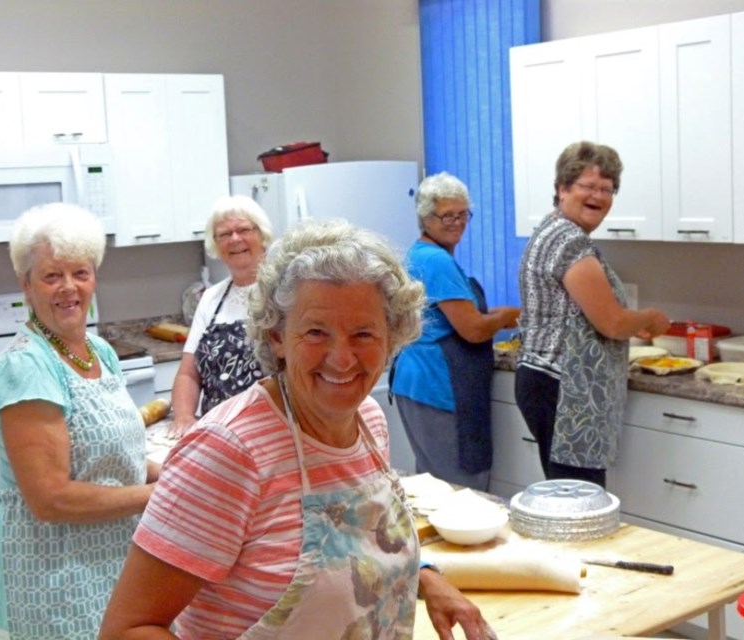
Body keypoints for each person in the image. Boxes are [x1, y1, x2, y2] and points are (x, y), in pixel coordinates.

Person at [100, 219, 494, 640]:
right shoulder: (228, 451)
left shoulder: (369, 420)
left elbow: (361, 543)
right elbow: (128, 629)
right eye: (316, 332)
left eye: (363, 333)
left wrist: (426, 578)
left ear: (392, 336)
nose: (342, 359)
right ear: (276, 337)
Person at [0, 203, 160, 638]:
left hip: (116, 550)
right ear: (26, 284)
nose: (69, 288)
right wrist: (156, 495)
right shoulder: (26, 367)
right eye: (51, 276)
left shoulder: (101, 352)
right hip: (58, 565)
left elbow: (121, 456)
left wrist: (173, 473)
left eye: (80, 273)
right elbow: (51, 499)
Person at [515, 141, 671, 488]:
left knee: (568, 496)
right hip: (562, 387)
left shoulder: (551, 230)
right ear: (562, 189)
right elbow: (612, 321)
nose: (598, 196)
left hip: (548, 382)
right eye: (588, 186)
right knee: (580, 502)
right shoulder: (569, 242)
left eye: (607, 188)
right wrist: (649, 318)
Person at [390, 172, 520, 491]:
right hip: (439, 384)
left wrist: (489, 317)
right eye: (447, 215)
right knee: (459, 491)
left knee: (435, 485)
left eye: (463, 214)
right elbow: (473, 329)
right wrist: (505, 318)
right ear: (425, 217)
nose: (457, 222)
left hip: (418, 380)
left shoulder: (421, 253)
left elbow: (454, 316)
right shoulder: (436, 261)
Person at [169, 195, 274, 437]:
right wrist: (184, 417)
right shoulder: (211, 298)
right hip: (217, 434)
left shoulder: (281, 292)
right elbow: (188, 373)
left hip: (269, 431)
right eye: (224, 234)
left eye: (244, 230)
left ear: (262, 235)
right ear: (215, 244)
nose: (235, 239)